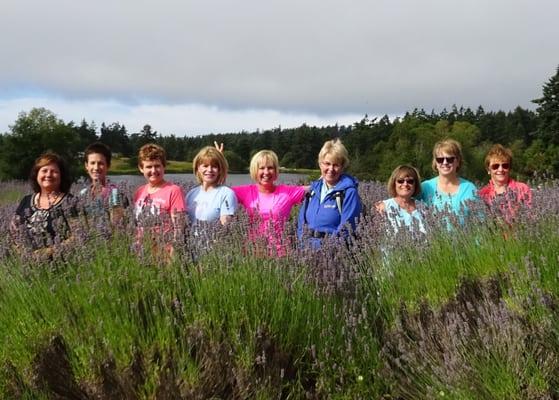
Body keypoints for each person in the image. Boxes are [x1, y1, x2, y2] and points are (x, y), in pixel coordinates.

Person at [233, 150, 307, 256]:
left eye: (270, 168)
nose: (266, 172)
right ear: (255, 170)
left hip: (280, 254)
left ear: (276, 170)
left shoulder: (287, 192)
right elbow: (220, 191)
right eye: (262, 168)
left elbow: (316, 188)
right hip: (252, 253)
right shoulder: (246, 192)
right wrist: (219, 160)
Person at [297, 139, 362, 248]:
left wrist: (321, 247)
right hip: (306, 252)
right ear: (320, 164)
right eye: (327, 163)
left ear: (342, 167)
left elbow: (347, 230)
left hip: (333, 254)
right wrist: (303, 243)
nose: (331, 169)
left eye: (336, 165)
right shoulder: (313, 190)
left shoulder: (348, 192)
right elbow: (301, 222)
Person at [11, 152, 77, 258]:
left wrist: (48, 252)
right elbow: (14, 231)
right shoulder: (26, 200)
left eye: (54, 171)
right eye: (44, 171)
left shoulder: (71, 202)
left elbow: (78, 235)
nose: (48, 175)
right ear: (37, 175)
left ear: (61, 176)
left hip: (61, 263)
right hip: (27, 264)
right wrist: (24, 252)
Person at [133, 143, 185, 259]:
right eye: (148, 167)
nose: (153, 170)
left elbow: (179, 228)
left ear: (164, 166)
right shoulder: (139, 192)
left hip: (164, 254)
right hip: (141, 253)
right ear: (141, 168)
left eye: (157, 166)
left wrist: (173, 258)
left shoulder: (174, 191)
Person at [419, 139, 478, 226]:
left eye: (450, 159)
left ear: (457, 162)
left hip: (464, 239)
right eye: (440, 160)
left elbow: (480, 223)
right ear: (435, 163)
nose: (445, 162)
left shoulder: (469, 188)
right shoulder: (425, 187)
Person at [478, 144, 532, 223]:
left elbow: (531, 216)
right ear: (488, 170)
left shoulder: (522, 189)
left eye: (505, 165)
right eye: (495, 166)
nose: (500, 169)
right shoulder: (483, 194)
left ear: (509, 168)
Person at [185, 146, 237, 225]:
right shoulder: (191, 194)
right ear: (198, 168)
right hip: (190, 237)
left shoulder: (226, 194)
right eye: (205, 166)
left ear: (219, 170)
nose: (209, 170)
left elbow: (226, 226)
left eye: (214, 166)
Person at [80, 142, 128, 225]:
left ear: (108, 165)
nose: (96, 168)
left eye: (100, 163)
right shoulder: (83, 193)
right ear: (86, 166)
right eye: (92, 163)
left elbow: (118, 226)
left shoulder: (116, 193)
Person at [375, 165, 426, 234]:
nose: (405, 184)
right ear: (394, 183)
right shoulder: (384, 207)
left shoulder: (423, 207)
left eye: (410, 181)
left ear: (415, 185)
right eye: (400, 181)